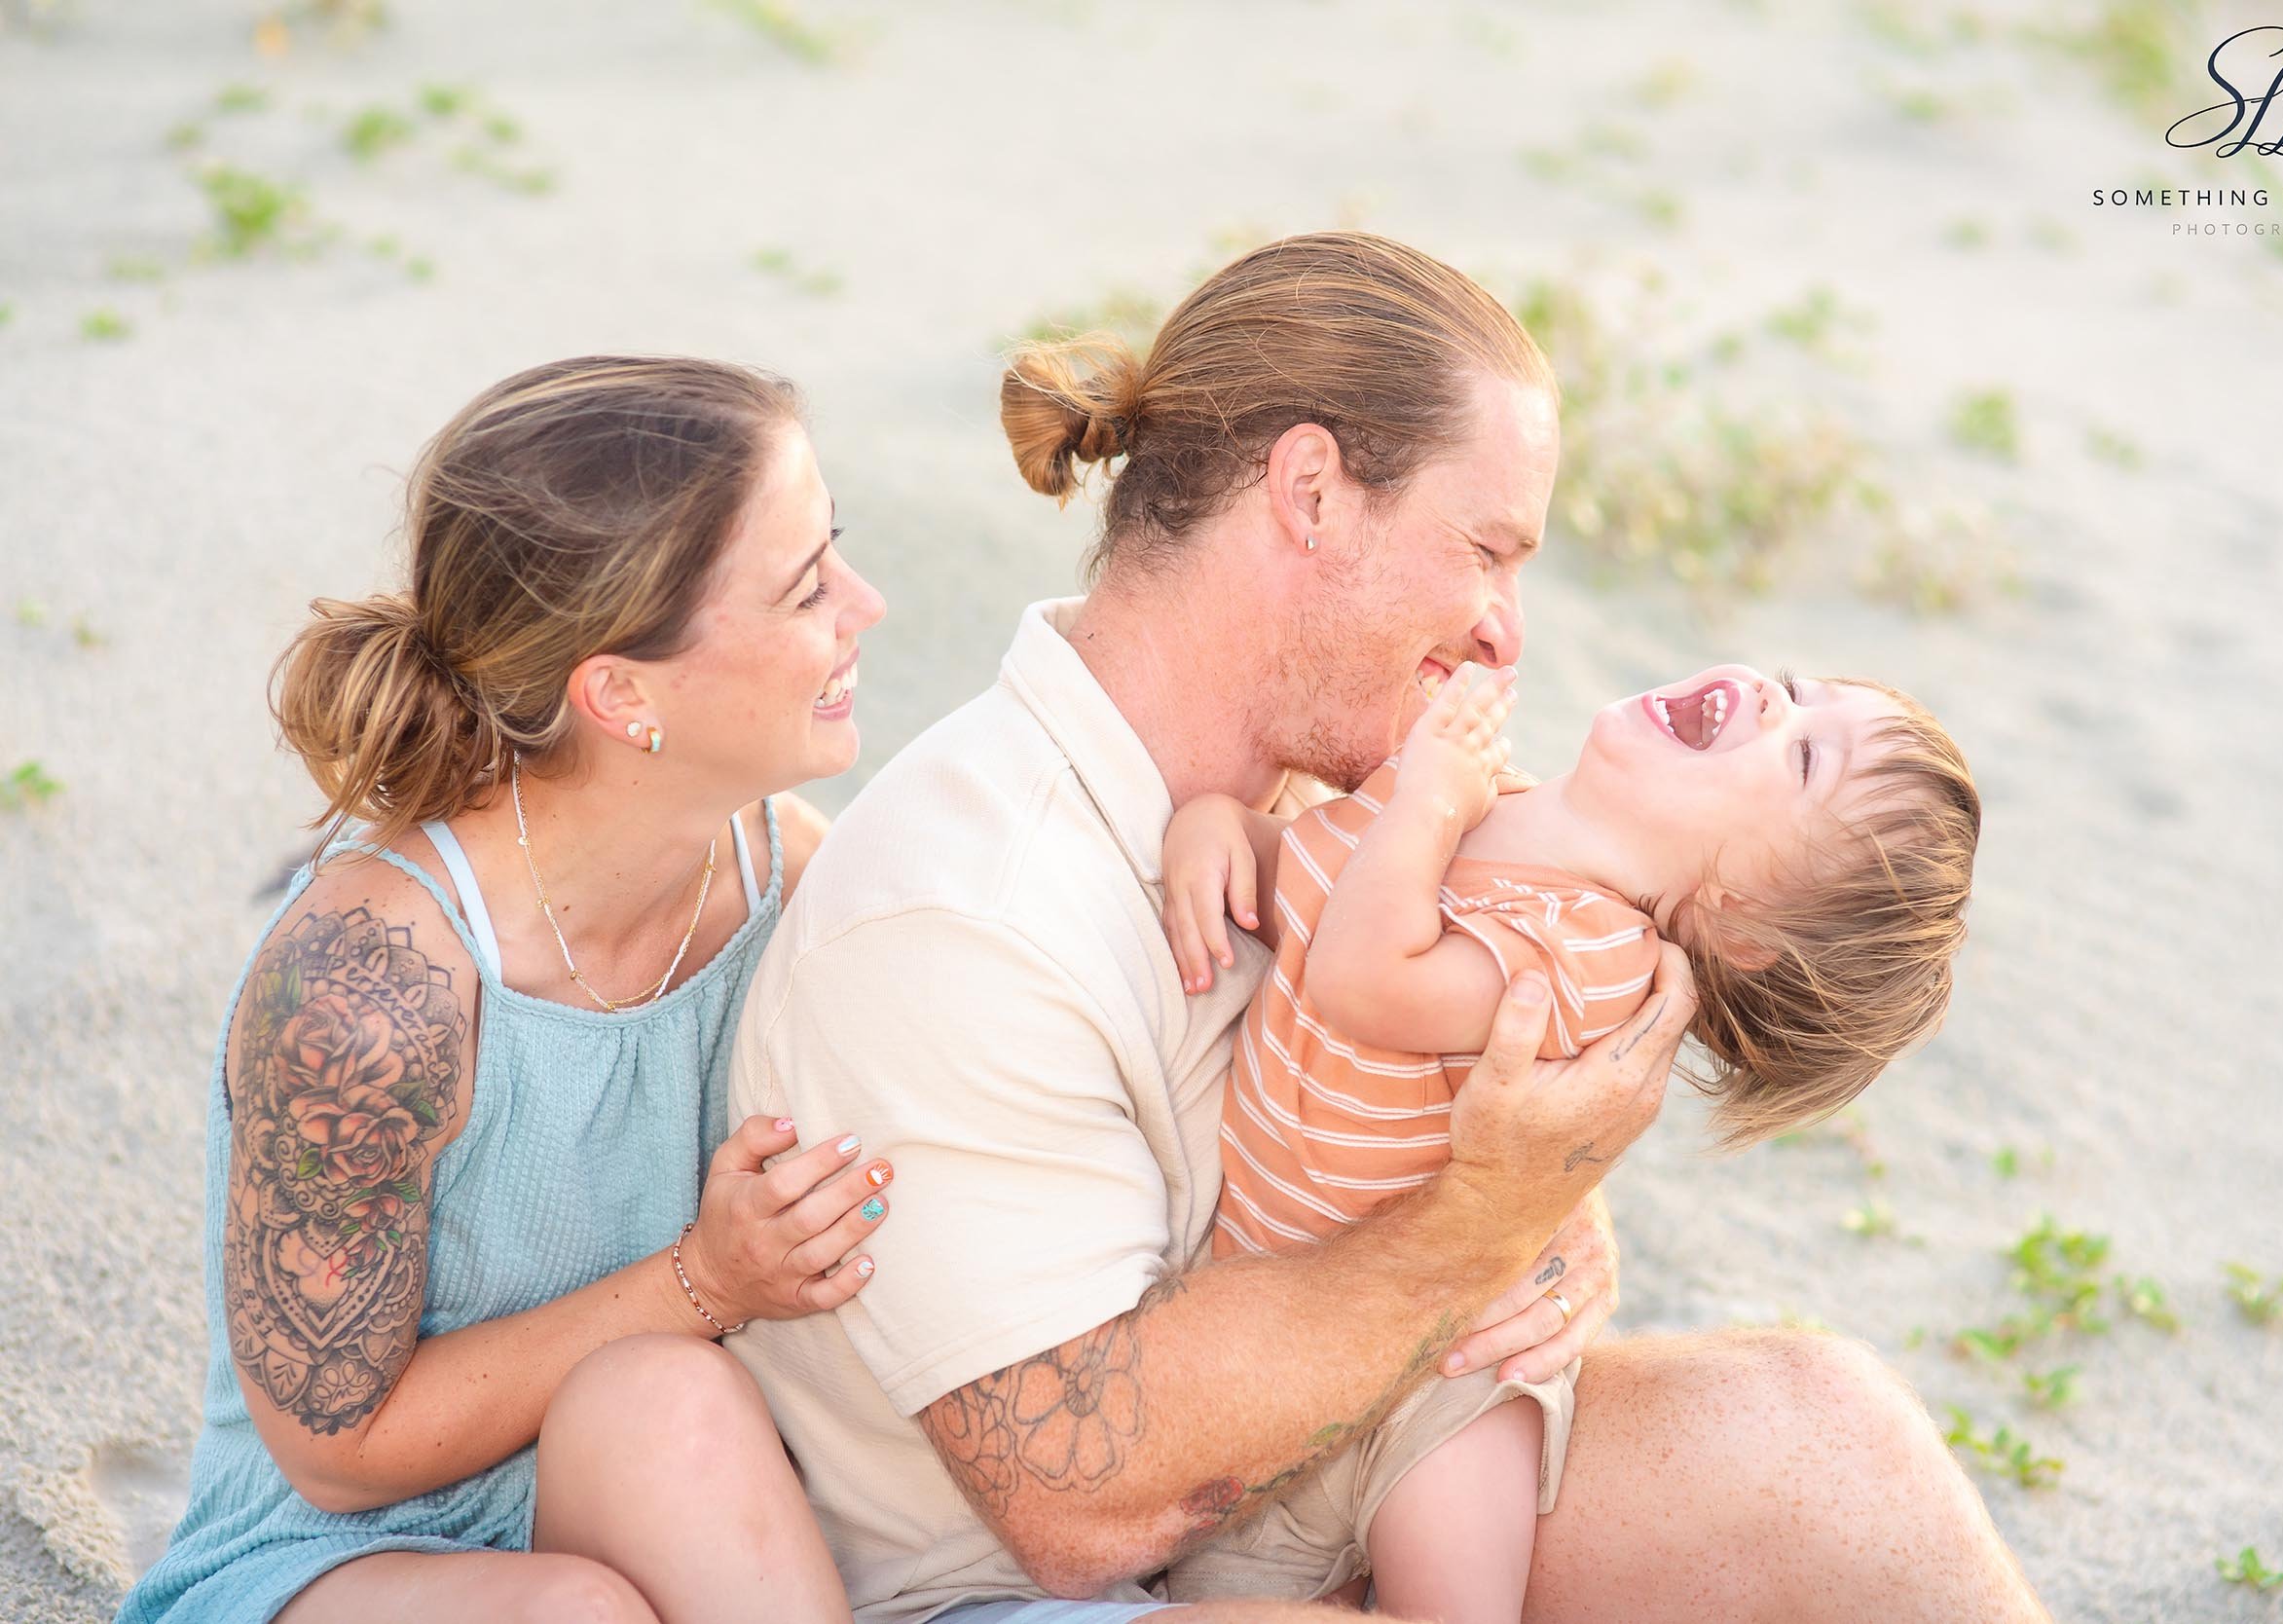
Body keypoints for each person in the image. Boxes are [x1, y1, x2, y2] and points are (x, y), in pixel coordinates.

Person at [727, 232, 2052, 1624]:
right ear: (1311, 494)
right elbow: (1075, 1501)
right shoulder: (968, 912)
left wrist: (1543, 1199)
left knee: (1829, 1442)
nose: (1505, 638)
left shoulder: (1352, 779)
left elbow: (1451, 1064)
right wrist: (1485, 1221)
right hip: (1018, 1592)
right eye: (1485, 551)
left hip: (1326, 1461)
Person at [121, 355, 895, 1624]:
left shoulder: (779, 865)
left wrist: (1231, 839)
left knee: (666, 1398)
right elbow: (334, 1441)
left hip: (640, 1481)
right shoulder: (370, 988)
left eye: (838, 554)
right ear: (621, 695)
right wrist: (705, 1280)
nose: (865, 605)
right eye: (809, 586)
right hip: (341, 1554)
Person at [1153, 655, 1980, 1619]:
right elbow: (1308, 877)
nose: (1770, 699)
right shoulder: (1477, 789)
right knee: (1209, 1590)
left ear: (1739, 920)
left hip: (1441, 1388)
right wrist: (1222, 831)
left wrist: (1425, 798)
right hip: (1278, 1333)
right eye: (1798, 689)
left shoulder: (1590, 956)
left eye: (1802, 761)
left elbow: (1362, 980)